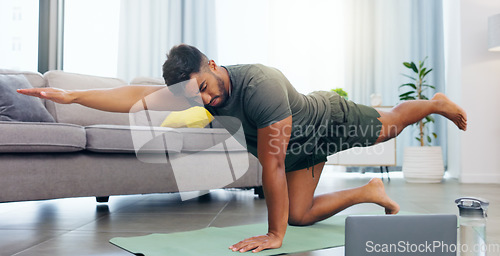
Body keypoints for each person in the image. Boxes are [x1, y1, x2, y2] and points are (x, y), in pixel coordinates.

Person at [18, 44, 467, 253]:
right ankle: (369, 190)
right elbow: (134, 96)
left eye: (208, 90)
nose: (207, 100)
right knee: (300, 215)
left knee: (389, 128)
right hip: (298, 152)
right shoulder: (191, 88)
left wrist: (274, 237)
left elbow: (270, 164)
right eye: (196, 96)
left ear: (212, 64)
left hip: (328, 121)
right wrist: (73, 96)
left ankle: (433, 102)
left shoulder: (260, 84)